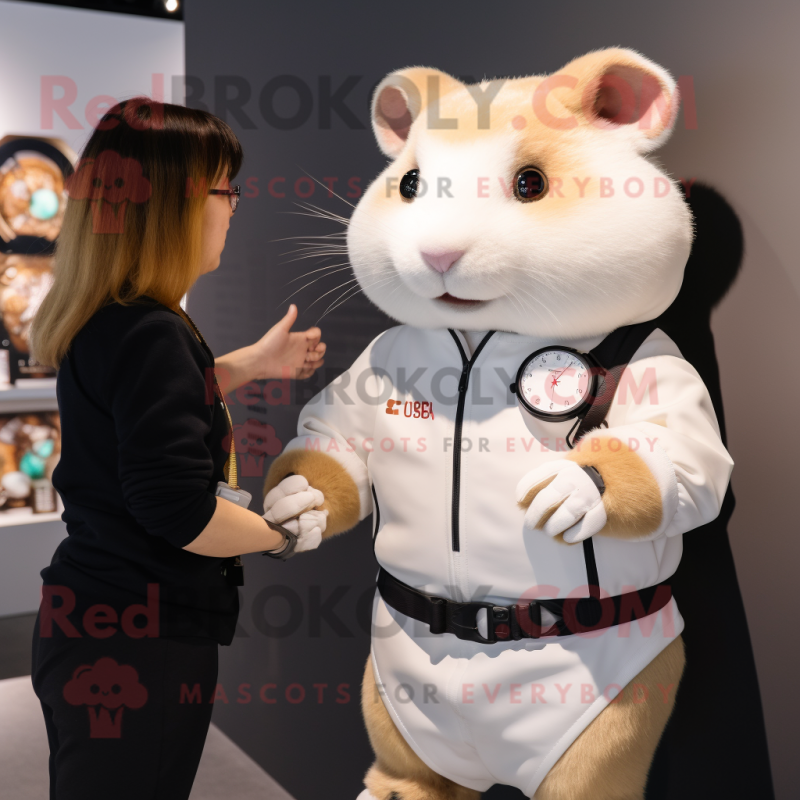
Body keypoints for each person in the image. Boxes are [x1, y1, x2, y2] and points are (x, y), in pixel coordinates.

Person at [28, 98, 327, 800]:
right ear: (173, 204)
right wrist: (280, 536)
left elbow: (138, 410)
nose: (235, 207)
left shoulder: (111, 318)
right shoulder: (153, 332)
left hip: (87, 615)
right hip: (140, 639)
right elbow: (181, 511)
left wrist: (248, 363)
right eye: (227, 190)